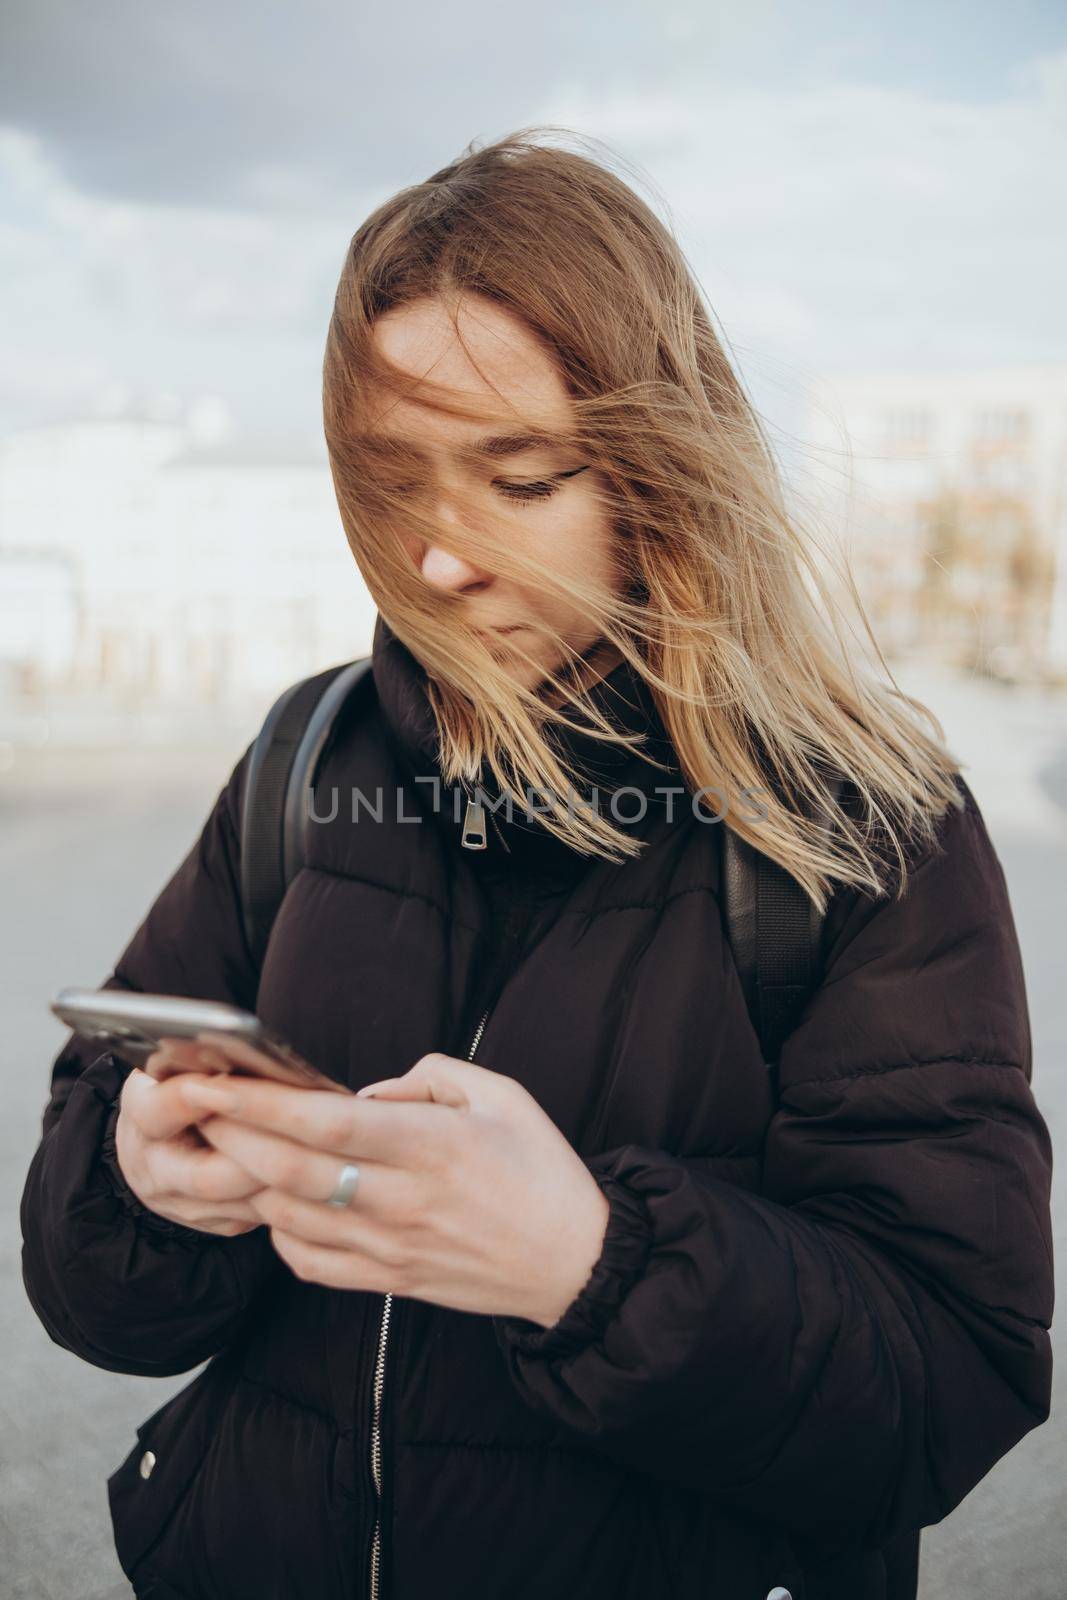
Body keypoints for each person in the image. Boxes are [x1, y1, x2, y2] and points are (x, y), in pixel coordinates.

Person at [21, 128, 1053, 1600]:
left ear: (659, 469)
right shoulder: (306, 757)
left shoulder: (868, 823)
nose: (438, 564)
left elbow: (953, 1377)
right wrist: (139, 1183)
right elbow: (90, 1284)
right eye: (395, 484)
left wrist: (592, 1264)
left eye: (519, 479)